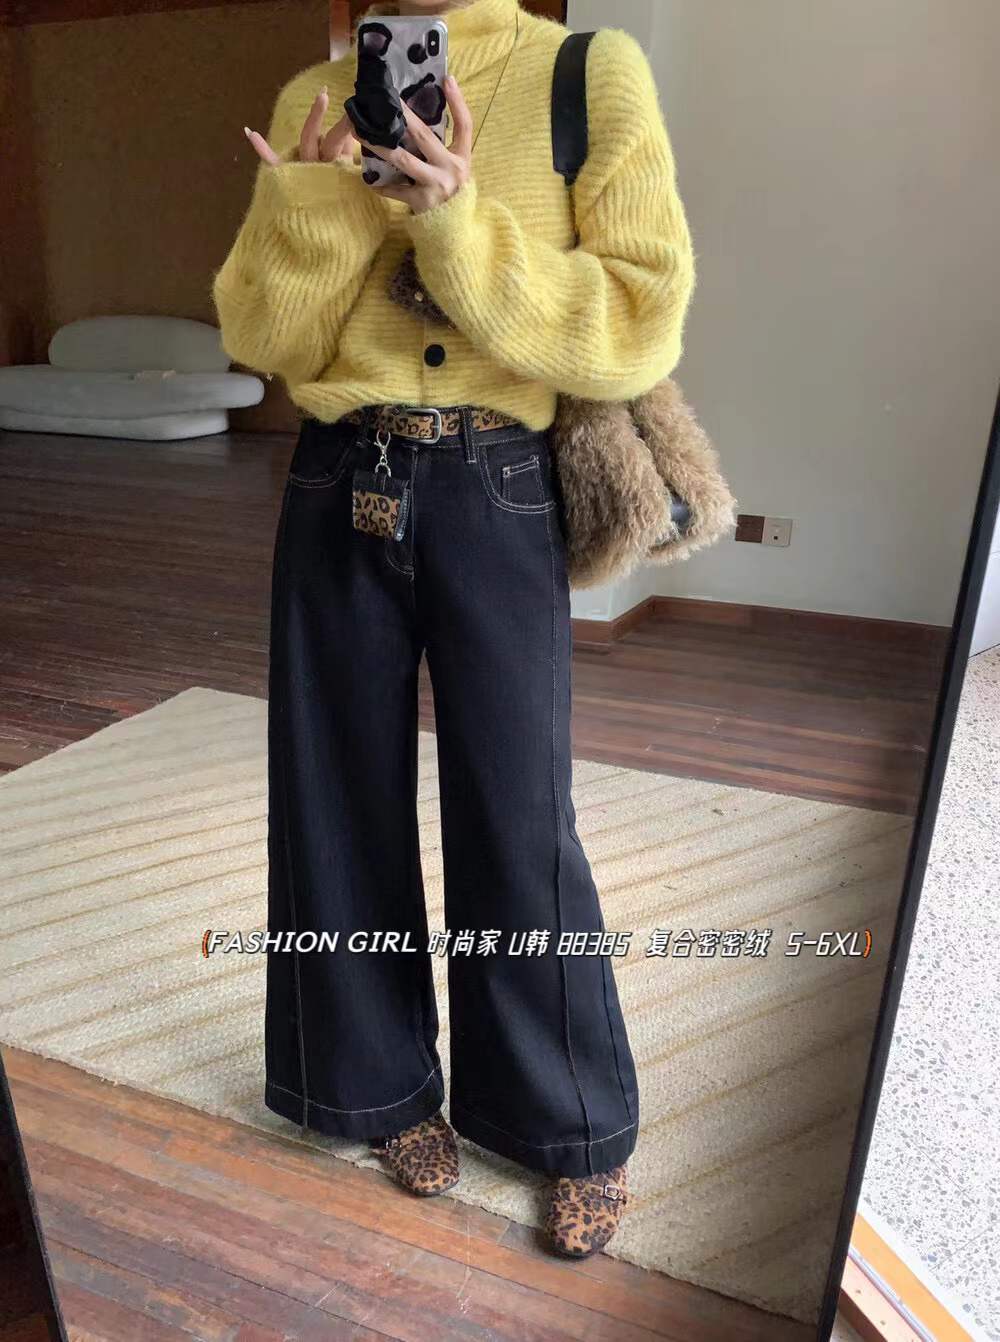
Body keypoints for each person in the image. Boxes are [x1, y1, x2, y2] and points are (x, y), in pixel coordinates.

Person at [211, 0, 695, 1259]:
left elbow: (636, 320)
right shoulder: (312, 95)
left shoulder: (586, 72)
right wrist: (313, 212)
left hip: (498, 481)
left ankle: (564, 1121)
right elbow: (261, 340)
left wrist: (455, 218)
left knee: (519, 809)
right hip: (338, 474)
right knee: (332, 801)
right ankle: (371, 1087)